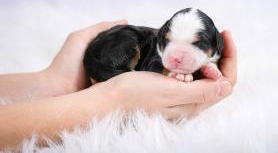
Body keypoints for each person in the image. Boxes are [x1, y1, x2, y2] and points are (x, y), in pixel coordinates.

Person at [0, 20, 237, 149]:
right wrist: (112, 99)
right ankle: (109, 76)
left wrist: (54, 83)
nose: (176, 56)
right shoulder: (153, 50)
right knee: (126, 46)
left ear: (216, 44)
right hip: (110, 53)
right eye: (168, 43)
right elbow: (158, 66)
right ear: (163, 38)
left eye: (196, 45)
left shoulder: (207, 53)